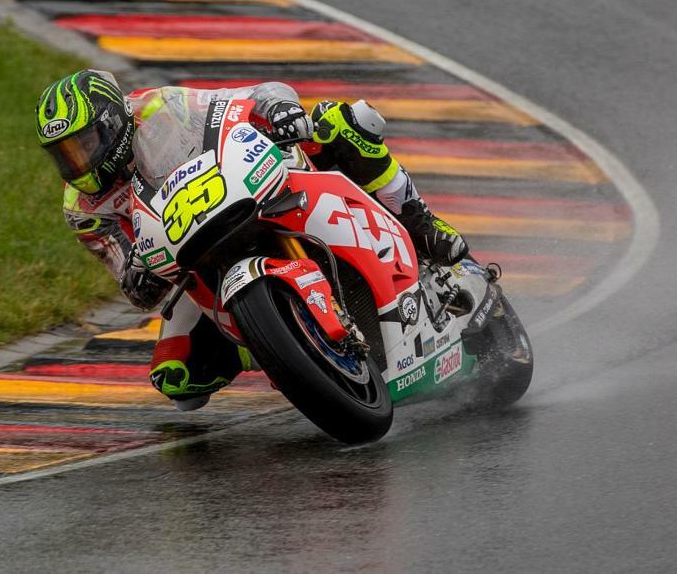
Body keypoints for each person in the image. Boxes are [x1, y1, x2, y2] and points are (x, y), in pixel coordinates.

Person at [35, 69, 468, 410]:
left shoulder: (160, 108)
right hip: (190, 255)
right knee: (179, 380)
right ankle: (276, 345)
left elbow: (252, 96)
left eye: (83, 144)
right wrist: (140, 275)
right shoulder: (83, 209)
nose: (77, 162)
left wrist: (279, 111)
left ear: (112, 125)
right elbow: (132, 284)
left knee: (341, 122)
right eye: (64, 154)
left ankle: (421, 223)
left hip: (253, 187)